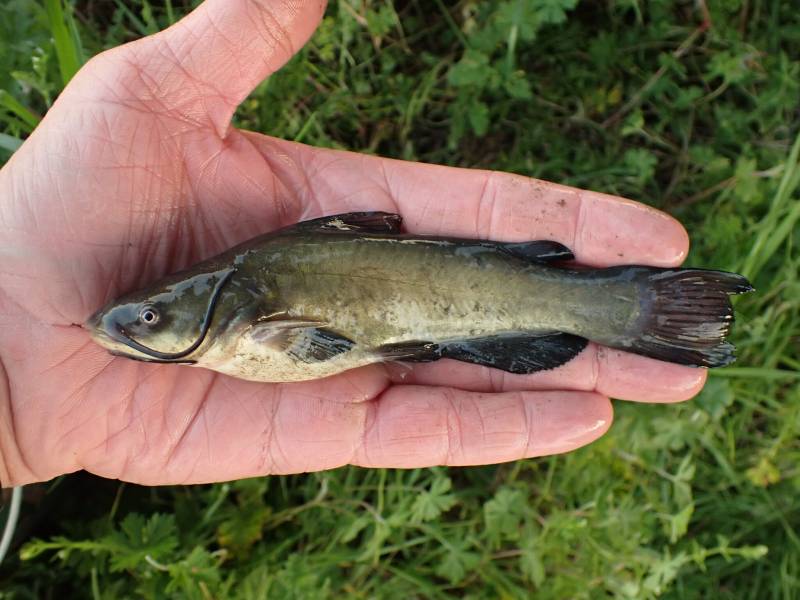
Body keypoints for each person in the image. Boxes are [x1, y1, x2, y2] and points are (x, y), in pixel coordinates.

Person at [0, 0, 705, 488]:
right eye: (148, 316)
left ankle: (645, 307)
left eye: (152, 314)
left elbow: (323, 348)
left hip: (450, 294)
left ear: (220, 302)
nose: (130, 321)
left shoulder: (252, 290)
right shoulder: (244, 289)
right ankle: (652, 311)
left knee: (568, 310)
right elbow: (329, 347)